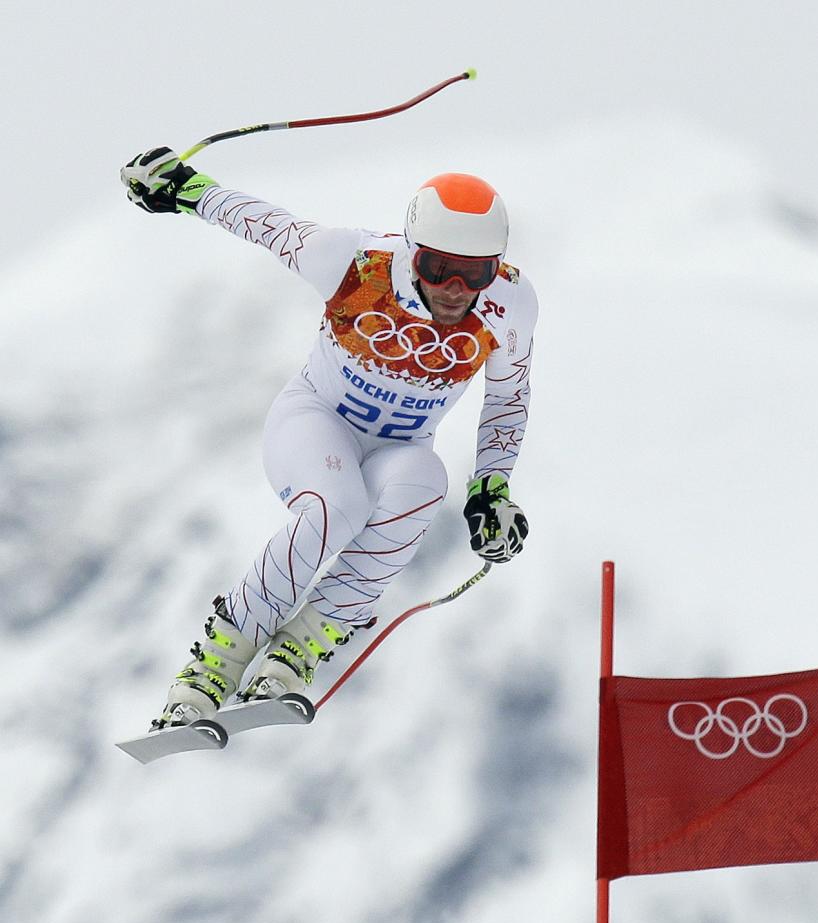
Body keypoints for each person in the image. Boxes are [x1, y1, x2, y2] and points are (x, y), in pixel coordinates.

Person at [119, 148, 538, 730]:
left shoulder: (510, 305)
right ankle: (213, 666)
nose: (455, 289)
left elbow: (507, 398)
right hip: (315, 423)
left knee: (427, 482)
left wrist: (491, 488)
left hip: (400, 448)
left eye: (477, 272)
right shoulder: (356, 262)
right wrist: (185, 189)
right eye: (440, 267)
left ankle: (298, 649)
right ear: (413, 251)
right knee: (335, 509)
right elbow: (268, 226)